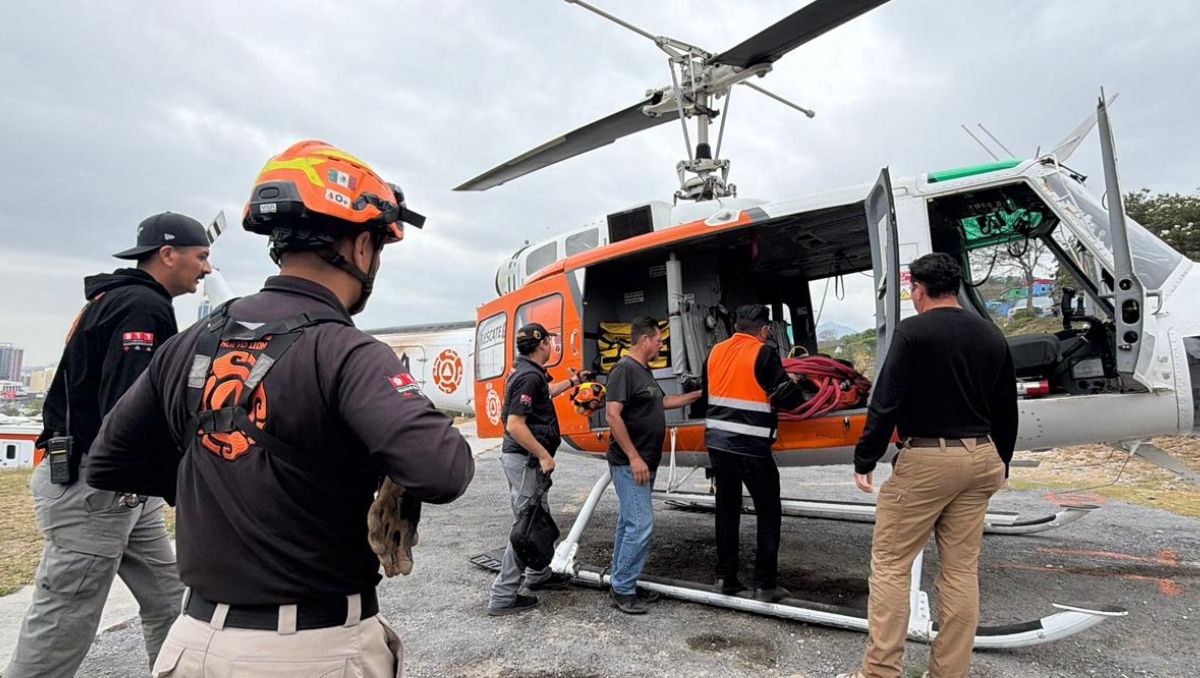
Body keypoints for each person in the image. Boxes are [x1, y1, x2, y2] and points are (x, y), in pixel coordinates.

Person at [87, 140, 475, 677]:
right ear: (362, 247)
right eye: (378, 249)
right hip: (307, 651)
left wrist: (224, 480)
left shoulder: (187, 345)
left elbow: (108, 461)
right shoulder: (348, 350)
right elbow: (443, 469)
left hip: (191, 646)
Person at [7, 212, 211, 678]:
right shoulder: (139, 306)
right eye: (200, 257)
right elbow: (128, 409)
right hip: (93, 489)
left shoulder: (123, 299)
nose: (205, 269)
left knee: (170, 598)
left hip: (121, 492)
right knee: (66, 616)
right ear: (167, 254)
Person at [837, 253, 1017, 678]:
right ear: (953, 287)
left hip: (928, 459)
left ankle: (880, 673)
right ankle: (949, 673)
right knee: (960, 570)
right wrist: (1002, 461)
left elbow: (886, 400)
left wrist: (866, 457)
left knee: (892, 563)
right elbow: (1006, 408)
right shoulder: (991, 335)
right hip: (982, 457)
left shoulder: (913, 332)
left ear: (918, 289)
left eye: (911, 290)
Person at [703, 303, 810, 602]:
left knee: (726, 510)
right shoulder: (763, 353)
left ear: (737, 327)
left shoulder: (714, 352)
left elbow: (706, 395)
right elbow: (788, 399)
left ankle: (725, 577)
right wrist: (797, 384)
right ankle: (765, 584)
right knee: (768, 511)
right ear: (763, 330)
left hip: (717, 446)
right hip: (750, 448)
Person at [488, 322, 586, 616]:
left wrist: (572, 382)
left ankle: (538, 575)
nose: (553, 345)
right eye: (550, 341)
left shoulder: (530, 375)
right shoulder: (529, 377)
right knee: (528, 526)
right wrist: (543, 455)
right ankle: (502, 596)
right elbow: (515, 424)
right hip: (526, 460)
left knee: (536, 518)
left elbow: (544, 393)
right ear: (542, 344)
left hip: (523, 459)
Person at [605, 316, 701, 614]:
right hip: (629, 463)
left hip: (646, 461)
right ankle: (623, 589)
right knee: (641, 524)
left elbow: (662, 402)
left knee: (628, 524)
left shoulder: (644, 372)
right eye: (659, 340)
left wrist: (700, 394)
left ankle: (623, 581)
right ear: (645, 340)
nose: (661, 345)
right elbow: (612, 415)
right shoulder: (624, 370)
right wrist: (634, 457)